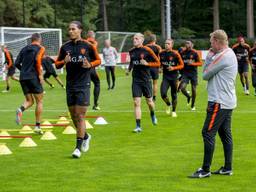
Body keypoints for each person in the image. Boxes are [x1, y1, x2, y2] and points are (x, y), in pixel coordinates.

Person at [190, 29, 237, 178]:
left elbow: (205, 74)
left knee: (208, 132)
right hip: (227, 101)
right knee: (225, 134)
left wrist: (209, 57)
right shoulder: (230, 53)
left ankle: (205, 170)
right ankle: (227, 167)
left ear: (217, 41)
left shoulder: (222, 56)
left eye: (211, 42)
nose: (210, 46)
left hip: (218, 101)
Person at [55, 21, 101, 158]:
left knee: (80, 116)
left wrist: (90, 64)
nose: (70, 31)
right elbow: (57, 64)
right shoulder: (65, 47)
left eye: (73, 29)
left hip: (83, 85)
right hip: (70, 85)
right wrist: (64, 62)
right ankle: (85, 136)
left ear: (80, 30)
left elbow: (98, 60)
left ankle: (77, 148)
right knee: (74, 116)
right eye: (69, 29)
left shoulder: (88, 46)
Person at [126, 33, 160, 133]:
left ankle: (153, 114)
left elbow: (157, 62)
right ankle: (138, 126)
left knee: (149, 102)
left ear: (142, 40)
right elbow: (132, 61)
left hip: (146, 80)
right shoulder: (131, 51)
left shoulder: (147, 50)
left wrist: (147, 63)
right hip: (136, 80)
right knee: (136, 102)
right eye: (133, 39)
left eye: (136, 39)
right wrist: (129, 69)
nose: (134, 40)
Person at [15, 33, 45, 134]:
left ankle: (20, 109)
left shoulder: (24, 49)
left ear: (31, 40)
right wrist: (40, 75)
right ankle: (37, 126)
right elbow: (37, 60)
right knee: (39, 101)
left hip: (23, 77)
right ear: (39, 39)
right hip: (33, 77)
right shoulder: (41, 48)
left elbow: (16, 63)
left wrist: (24, 71)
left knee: (29, 101)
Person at [160, 39, 184, 117]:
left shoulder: (176, 54)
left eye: (168, 43)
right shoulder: (161, 53)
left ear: (172, 45)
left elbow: (182, 65)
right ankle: (168, 104)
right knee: (163, 94)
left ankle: (173, 111)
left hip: (174, 78)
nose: (166, 45)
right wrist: (160, 68)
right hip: (165, 77)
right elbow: (160, 63)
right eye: (165, 43)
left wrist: (173, 68)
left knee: (174, 95)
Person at [179, 41, 202, 111]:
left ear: (192, 45)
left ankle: (193, 105)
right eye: (186, 43)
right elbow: (179, 62)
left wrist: (193, 63)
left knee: (194, 89)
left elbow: (200, 63)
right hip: (185, 73)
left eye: (188, 43)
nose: (187, 44)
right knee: (182, 88)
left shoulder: (194, 53)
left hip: (193, 73)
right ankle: (188, 96)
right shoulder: (182, 53)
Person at [86, 30, 100, 110]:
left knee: (86, 85)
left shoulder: (84, 42)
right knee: (97, 83)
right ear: (93, 36)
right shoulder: (94, 43)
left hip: (85, 68)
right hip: (91, 67)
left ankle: (85, 103)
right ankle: (95, 104)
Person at [145, 34, 162, 101]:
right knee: (155, 83)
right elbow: (160, 57)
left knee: (148, 82)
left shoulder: (145, 47)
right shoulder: (158, 47)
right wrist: (160, 67)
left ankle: (149, 95)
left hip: (147, 66)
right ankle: (154, 97)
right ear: (155, 40)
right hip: (155, 67)